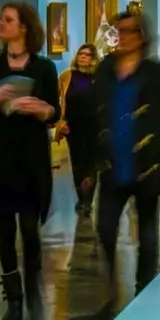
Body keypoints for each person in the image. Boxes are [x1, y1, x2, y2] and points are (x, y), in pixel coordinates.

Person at [78, 10, 160, 320]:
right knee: (105, 228)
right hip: (114, 167)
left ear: (141, 35)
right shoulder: (106, 70)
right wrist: (88, 168)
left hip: (148, 168)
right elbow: (92, 119)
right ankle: (111, 296)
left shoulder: (155, 74)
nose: (122, 37)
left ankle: (144, 295)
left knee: (149, 236)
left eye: (128, 31)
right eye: (118, 31)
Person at [0, 3, 60, 320]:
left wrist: (40, 110)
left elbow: (54, 113)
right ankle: (14, 297)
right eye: (1, 19)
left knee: (30, 230)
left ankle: (33, 288)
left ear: (24, 27)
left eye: (8, 20)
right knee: (4, 229)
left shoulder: (44, 68)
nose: (1, 25)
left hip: (30, 156)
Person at [58, 44, 103, 227]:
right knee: (77, 163)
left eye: (87, 55)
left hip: (94, 126)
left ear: (93, 58)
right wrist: (60, 122)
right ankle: (80, 196)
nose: (83, 57)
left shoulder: (99, 78)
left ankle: (87, 201)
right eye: (80, 54)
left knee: (90, 163)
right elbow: (59, 98)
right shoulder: (67, 76)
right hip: (73, 126)